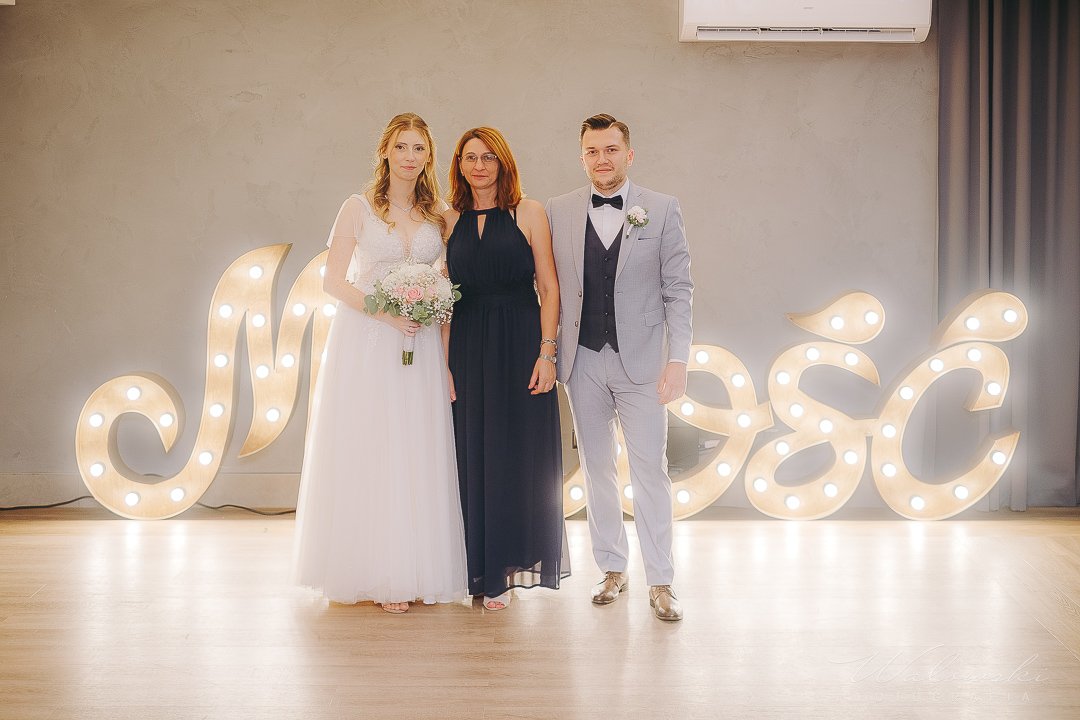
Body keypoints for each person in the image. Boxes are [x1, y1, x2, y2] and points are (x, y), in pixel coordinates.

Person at [293, 113, 467, 613]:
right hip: (368, 339)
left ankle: (415, 568)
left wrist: (439, 336)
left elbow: (450, 281)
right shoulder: (358, 208)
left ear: (429, 157)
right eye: (402, 147)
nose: (410, 157)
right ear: (386, 151)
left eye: (419, 148)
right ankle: (376, 573)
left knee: (416, 447)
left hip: (422, 341)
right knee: (373, 445)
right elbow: (334, 282)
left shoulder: (440, 215)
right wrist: (387, 314)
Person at [545, 114, 693, 621]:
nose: (602, 159)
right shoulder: (559, 210)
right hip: (582, 359)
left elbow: (679, 290)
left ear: (628, 155)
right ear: (581, 156)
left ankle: (662, 581)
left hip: (644, 363)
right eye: (592, 151)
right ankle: (612, 568)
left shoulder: (662, 208)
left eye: (611, 150)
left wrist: (678, 359)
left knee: (650, 469)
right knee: (597, 469)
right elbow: (550, 287)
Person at [443, 127, 569, 611]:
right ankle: (476, 567)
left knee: (516, 452)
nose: (479, 166)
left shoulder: (528, 212)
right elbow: (445, 301)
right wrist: (443, 365)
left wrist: (547, 353)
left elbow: (549, 288)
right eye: (470, 157)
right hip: (467, 346)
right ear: (458, 165)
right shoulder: (447, 220)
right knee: (470, 452)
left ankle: (506, 567)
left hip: (519, 344)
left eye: (489, 157)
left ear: (503, 163)